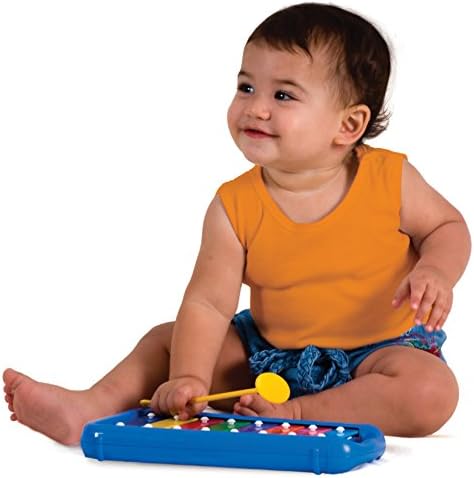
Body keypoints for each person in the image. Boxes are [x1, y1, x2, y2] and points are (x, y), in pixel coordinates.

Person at [3, 2, 470, 444]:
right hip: (271, 358)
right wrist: (188, 376)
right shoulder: (234, 205)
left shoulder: (390, 178)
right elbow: (208, 303)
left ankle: (301, 412)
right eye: (246, 87)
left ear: (348, 126)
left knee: (431, 391)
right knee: (168, 340)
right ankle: (88, 407)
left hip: (379, 352)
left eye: (283, 95)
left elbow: (446, 228)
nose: (256, 107)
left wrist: (434, 271)